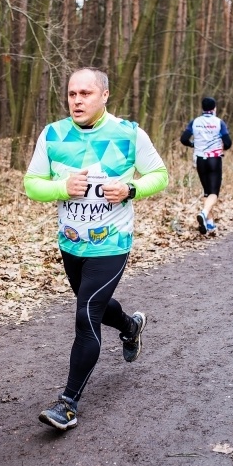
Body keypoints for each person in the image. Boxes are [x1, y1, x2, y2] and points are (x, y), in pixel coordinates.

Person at [24, 67, 168, 431]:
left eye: (85, 93)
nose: (77, 100)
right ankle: (131, 325)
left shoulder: (128, 134)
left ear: (104, 95)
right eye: (72, 94)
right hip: (71, 244)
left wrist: (131, 189)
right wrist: (61, 187)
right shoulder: (53, 134)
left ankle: (67, 404)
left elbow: (160, 175)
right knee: (95, 307)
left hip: (112, 243)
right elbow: (31, 184)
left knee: (86, 313)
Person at [180, 96, 232, 234]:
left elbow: (184, 139)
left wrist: (193, 144)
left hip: (200, 159)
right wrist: (222, 147)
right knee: (214, 193)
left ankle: (209, 223)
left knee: (206, 192)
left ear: (202, 108)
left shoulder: (195, 122)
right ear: (214, 108)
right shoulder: (219, 122)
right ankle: (203, 213)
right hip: (214, 159)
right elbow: (228, 143)